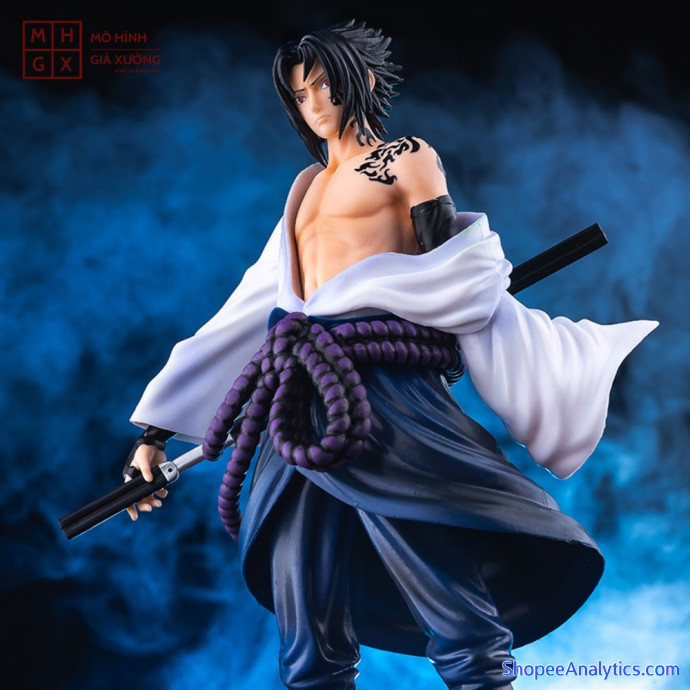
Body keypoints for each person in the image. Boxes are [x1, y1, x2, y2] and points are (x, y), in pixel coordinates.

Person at [123, 20, 657, 690]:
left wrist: (450, 305)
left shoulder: (407, 158)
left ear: (363, 80)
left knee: (436, 566)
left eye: (324, 86)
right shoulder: (305, 189)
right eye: (300, 95)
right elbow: (250, 308)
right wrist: (155, 433)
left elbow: (449, 269)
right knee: (301, 600)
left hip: (380, 395)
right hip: (297, 401)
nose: (315, 105)